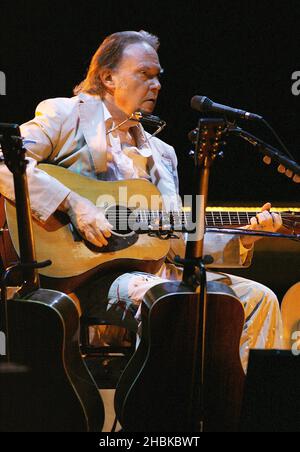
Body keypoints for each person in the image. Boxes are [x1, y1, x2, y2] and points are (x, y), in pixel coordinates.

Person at [0, 30, 283, 370]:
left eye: (158, 76)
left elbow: (172, 239)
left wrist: (243, 234)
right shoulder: (65, 115)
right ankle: (159, 413)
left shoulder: (162, 154)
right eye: (145, 74)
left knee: (259, 299)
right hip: (88, 278)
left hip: (154, 270)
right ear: (108, 77)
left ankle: (243, 412)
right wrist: (74, 204)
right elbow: (5, 160)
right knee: (174, 301)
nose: (157, 84)